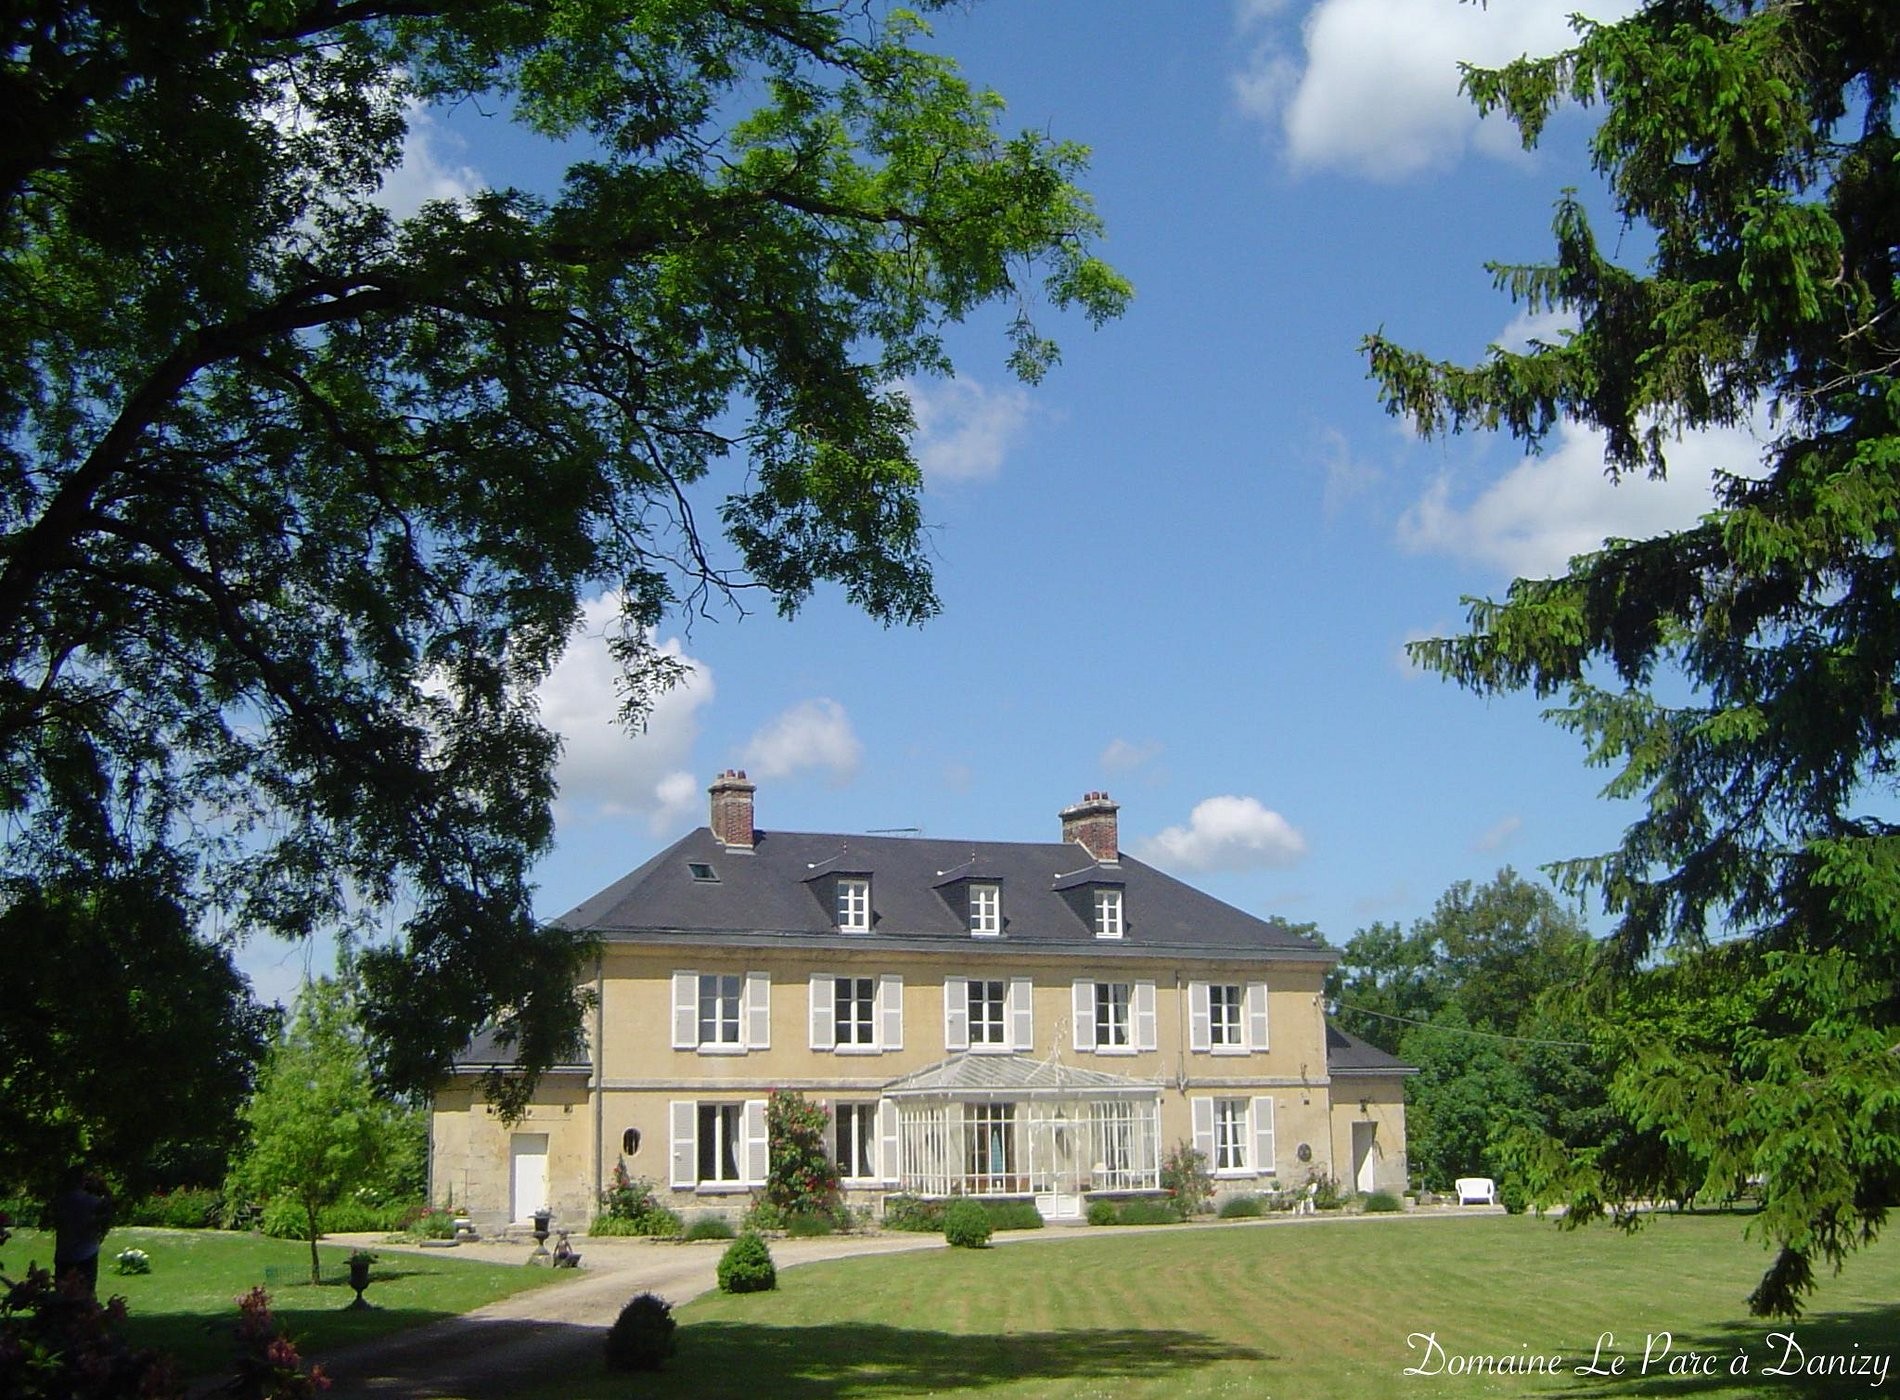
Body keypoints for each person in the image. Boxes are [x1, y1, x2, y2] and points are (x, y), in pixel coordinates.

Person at [51, 1166, 111, 1296]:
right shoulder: (91, 1201)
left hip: (64, 1252)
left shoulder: (60, 1200)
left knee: (62, 1293)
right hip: (86, 1253)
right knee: (86, 1293)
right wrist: (103, 1187)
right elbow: (109, 1206)